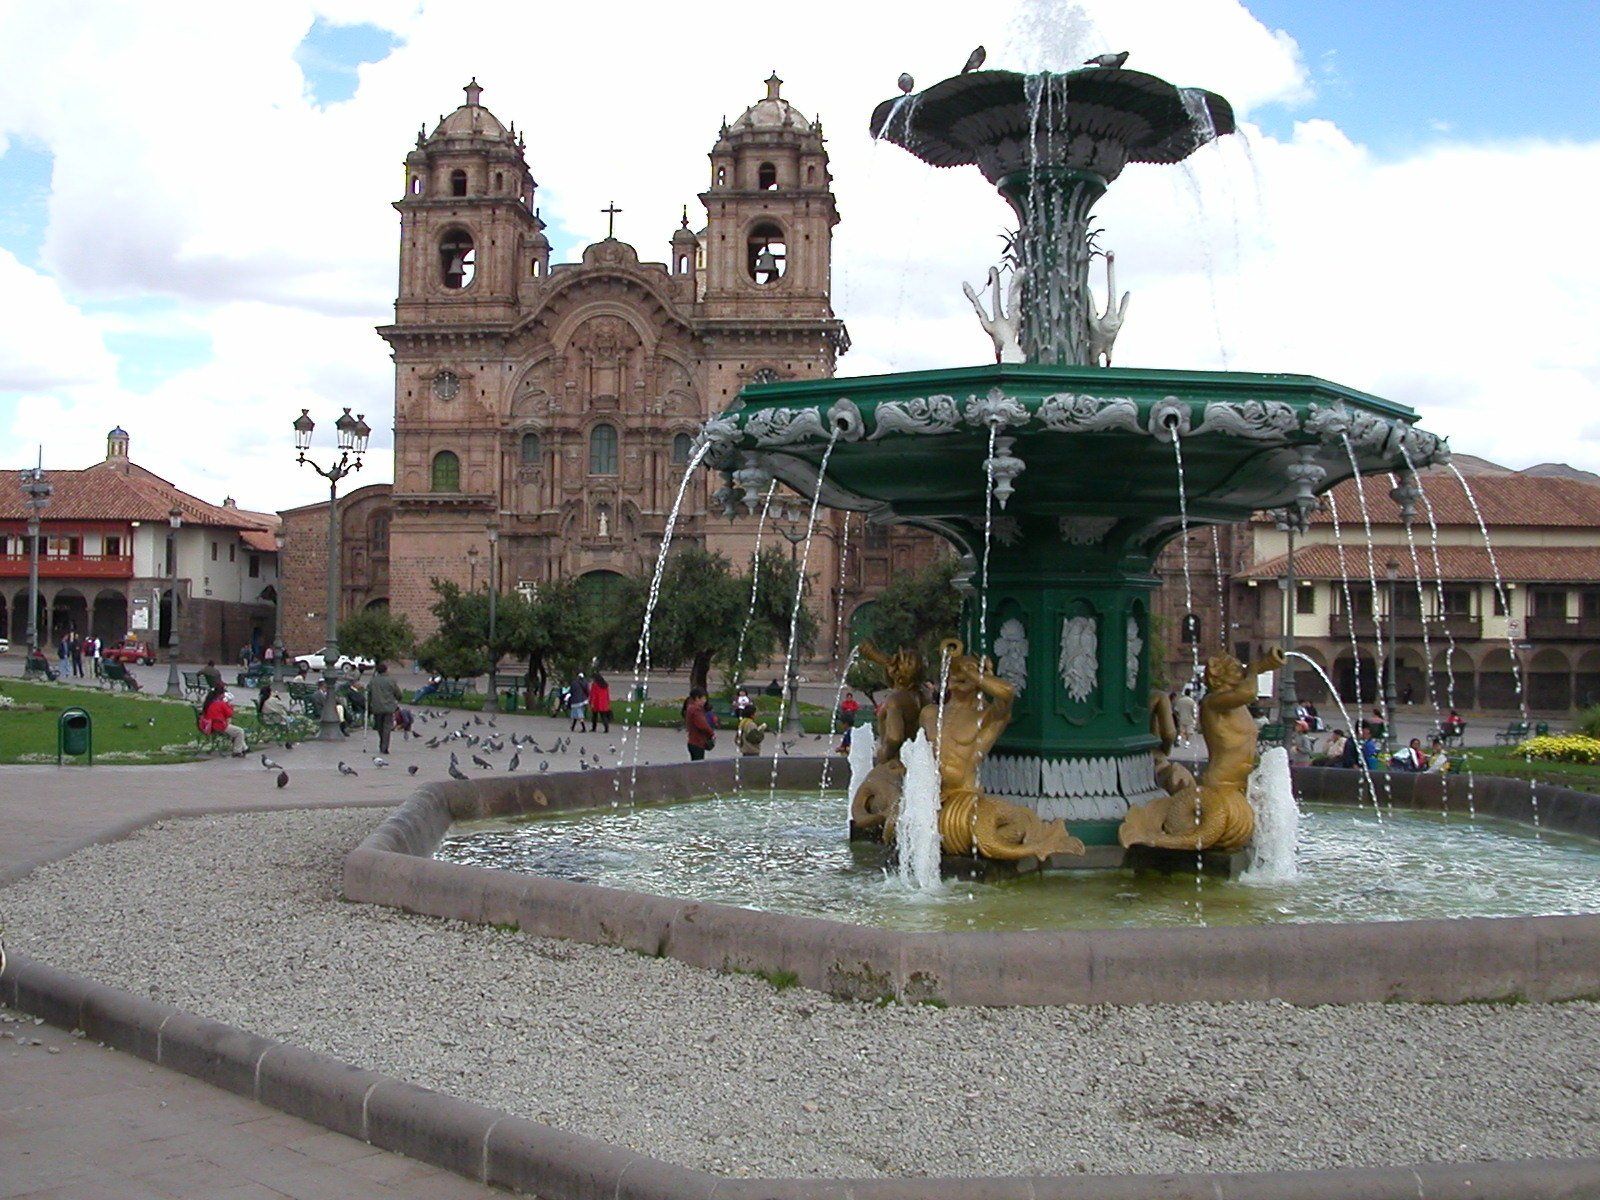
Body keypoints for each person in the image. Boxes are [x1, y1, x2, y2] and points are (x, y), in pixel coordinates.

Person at [198, 685, 247, 756]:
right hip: (220, 725)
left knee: (235, 730)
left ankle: (245, 748)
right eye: (223, 694)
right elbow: (230, 713)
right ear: (220, 695)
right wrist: (228, 705)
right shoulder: (220, 703)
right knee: (240, 731)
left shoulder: (209, 703)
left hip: (211, 725)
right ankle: (237, 751)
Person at [366, 662, 403, 754]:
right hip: (389, 707)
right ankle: (384, 746)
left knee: (380, 727)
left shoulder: (373, 681)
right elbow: (397, 693)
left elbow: (368, 692)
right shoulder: (391, 680)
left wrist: (369, 704)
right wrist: (399, 698)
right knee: (387, 727)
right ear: (386, 670)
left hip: (376, 707)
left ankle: (382, 742)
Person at [683, 688, 715, 761]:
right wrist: (711, 733)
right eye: (703, 698)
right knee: (698, 763)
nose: (705, 701)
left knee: (695, 762)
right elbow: (702, 725)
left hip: (692, 741)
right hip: (698, 742)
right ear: (697, 698)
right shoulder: (696, 710)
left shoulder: (690, 708)